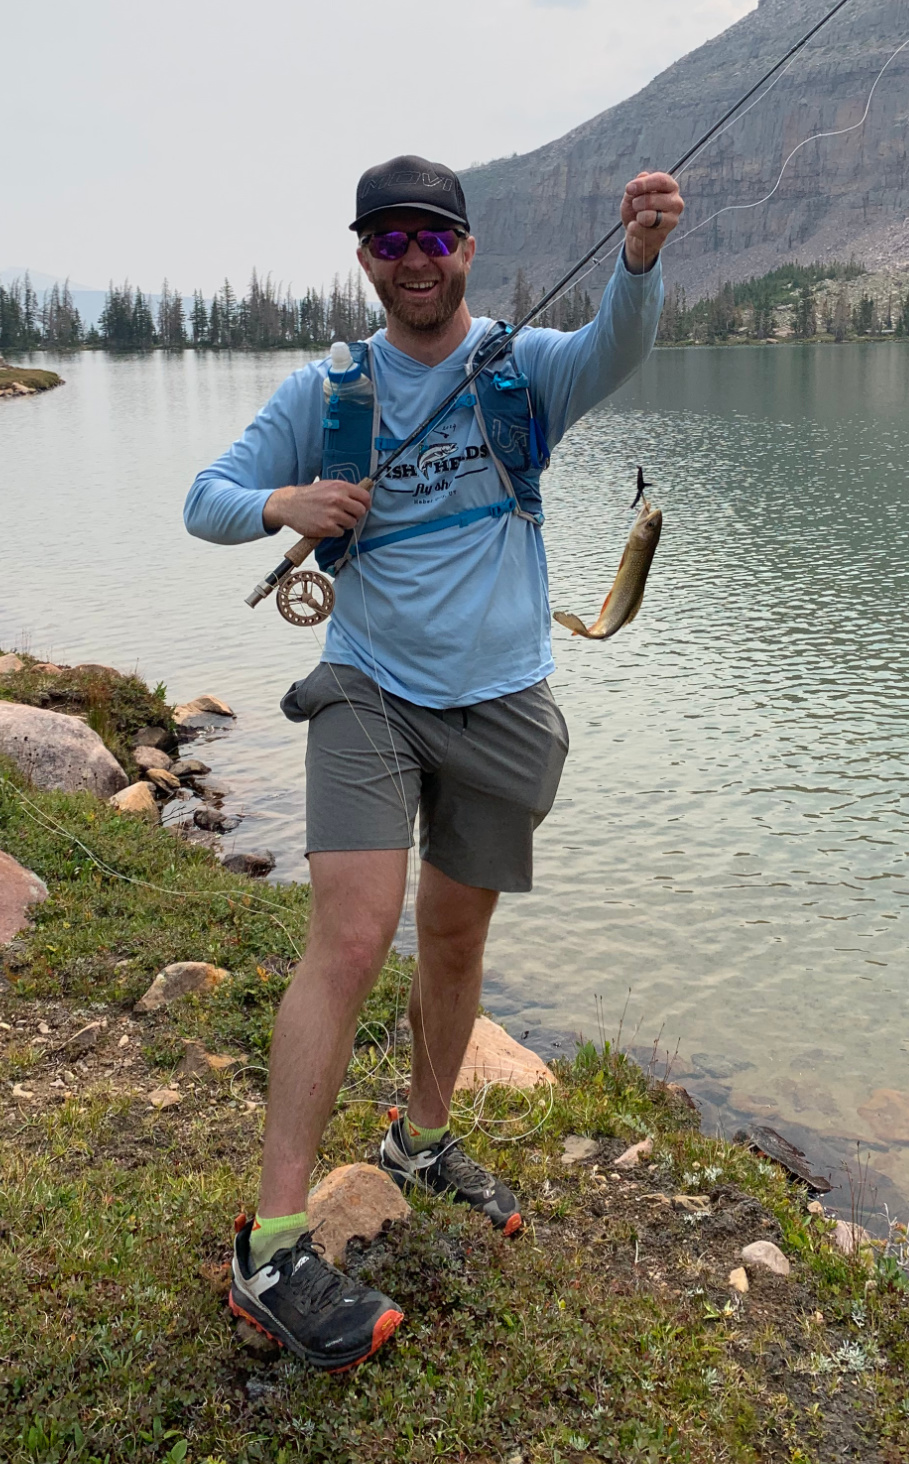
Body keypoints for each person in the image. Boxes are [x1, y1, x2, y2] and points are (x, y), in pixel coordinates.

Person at [184, 153, 683, 1371]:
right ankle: (274, 1244)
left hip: (502, 699)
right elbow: (207, 497)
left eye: (432, 238)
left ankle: (419, 1139)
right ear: (365, 257)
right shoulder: (329, 387)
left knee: (456, 937)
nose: (412, 258)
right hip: (367, 687)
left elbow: (617, 347)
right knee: (353, 936)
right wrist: (286, 503)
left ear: (465, 248)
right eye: (387, 240)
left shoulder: (523, 373)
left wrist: (637, 259)